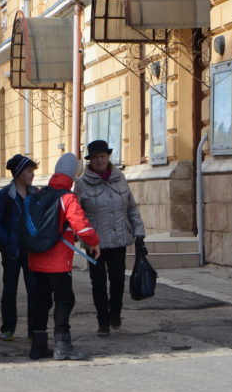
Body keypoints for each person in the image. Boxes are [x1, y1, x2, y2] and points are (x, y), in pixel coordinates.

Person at [28, 153, 101, 361]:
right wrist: (94, 242)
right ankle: (62, 344)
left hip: (36, 257)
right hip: (58, 261)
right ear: (74, 175)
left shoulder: (39, 194)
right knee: (64, 301)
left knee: (40, 302)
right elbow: (82, 226)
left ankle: (38, 346)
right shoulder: (67, 198)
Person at [73, 140, 146, 335]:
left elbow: (131, 207)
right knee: (98, 283)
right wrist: (78, 234)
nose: (99, 160)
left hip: (119, 238)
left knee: (118, 280)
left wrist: (138, 231)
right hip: (94, 242)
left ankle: (115, 313)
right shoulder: (81, 184)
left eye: (103, 156)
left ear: (108, 157)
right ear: (90, 160)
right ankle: (103, 322)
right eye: (96, 157)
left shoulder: (119, 178)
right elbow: (76, 213)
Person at [0, 154, 38, 343]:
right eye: (28, 171)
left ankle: (35, 330)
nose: (32, 174)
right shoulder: (4, 196)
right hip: (12, 251)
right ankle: (8, 329)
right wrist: (7, 245)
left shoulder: (36, 194)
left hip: (32, 251)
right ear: (18, 173)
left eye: (32, 171)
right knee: (10, 290)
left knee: (35, 289)